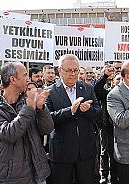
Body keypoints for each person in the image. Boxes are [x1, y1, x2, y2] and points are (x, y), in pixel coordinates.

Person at [0, 62, 54, 184]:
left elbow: (47, 129)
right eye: (25, 75)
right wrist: (29, 107)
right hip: (10, 177)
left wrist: (41, 108)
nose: (28, 79)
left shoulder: (28, 101)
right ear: (13, 79)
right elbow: (11, 134)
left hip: (36, 173)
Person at [45, 54, 102, 184]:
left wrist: (88, 110)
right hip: (62, 152)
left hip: (85, 152)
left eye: (76, 70)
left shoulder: (87, 88)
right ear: (60, 71)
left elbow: (98, 113)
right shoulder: (50, 91)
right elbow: (48, 119)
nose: (73, 74)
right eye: (69, 70)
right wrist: (70, 111)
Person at [94, 65, 119, 184]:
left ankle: (115, 176)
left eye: (121, 80)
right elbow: (97, 89)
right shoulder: (108, 94)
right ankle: (104, 174)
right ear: (113, 82)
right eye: (117, 80)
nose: (119, 82)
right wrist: (105, 76)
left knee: (116, 152)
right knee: (105, 151)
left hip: (121, 127)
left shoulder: (126, 95)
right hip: (106, 126)